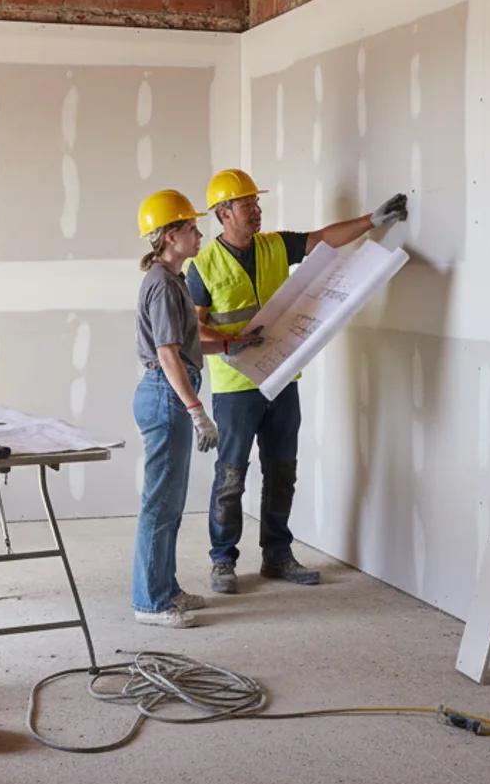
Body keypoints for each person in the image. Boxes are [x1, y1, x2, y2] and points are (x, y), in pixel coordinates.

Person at [187, 168, 407, 595]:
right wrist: (232, 341)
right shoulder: (203, 265)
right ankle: (222, 560)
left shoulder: (273, 246)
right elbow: (195, 331)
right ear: (223, 213)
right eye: (247, 205)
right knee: (232, 475)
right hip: (235, 388)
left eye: (257, 203)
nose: (256, 211)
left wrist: (371, 222)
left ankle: (277, 554)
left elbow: (322, 238)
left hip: (282, 376)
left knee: (282, 470)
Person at [129, 189, 258, 628]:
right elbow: (168, 354)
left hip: (169, 392)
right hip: (167, 394)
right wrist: (196, 409)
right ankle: (150, 602)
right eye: (189, 227)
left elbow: (186, 341)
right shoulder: (163, 284)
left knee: (171, 502)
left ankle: (165, 589)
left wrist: (229, 344)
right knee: (160, 503)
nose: (198, 233)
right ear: (168, 236)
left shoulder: (175, 279)